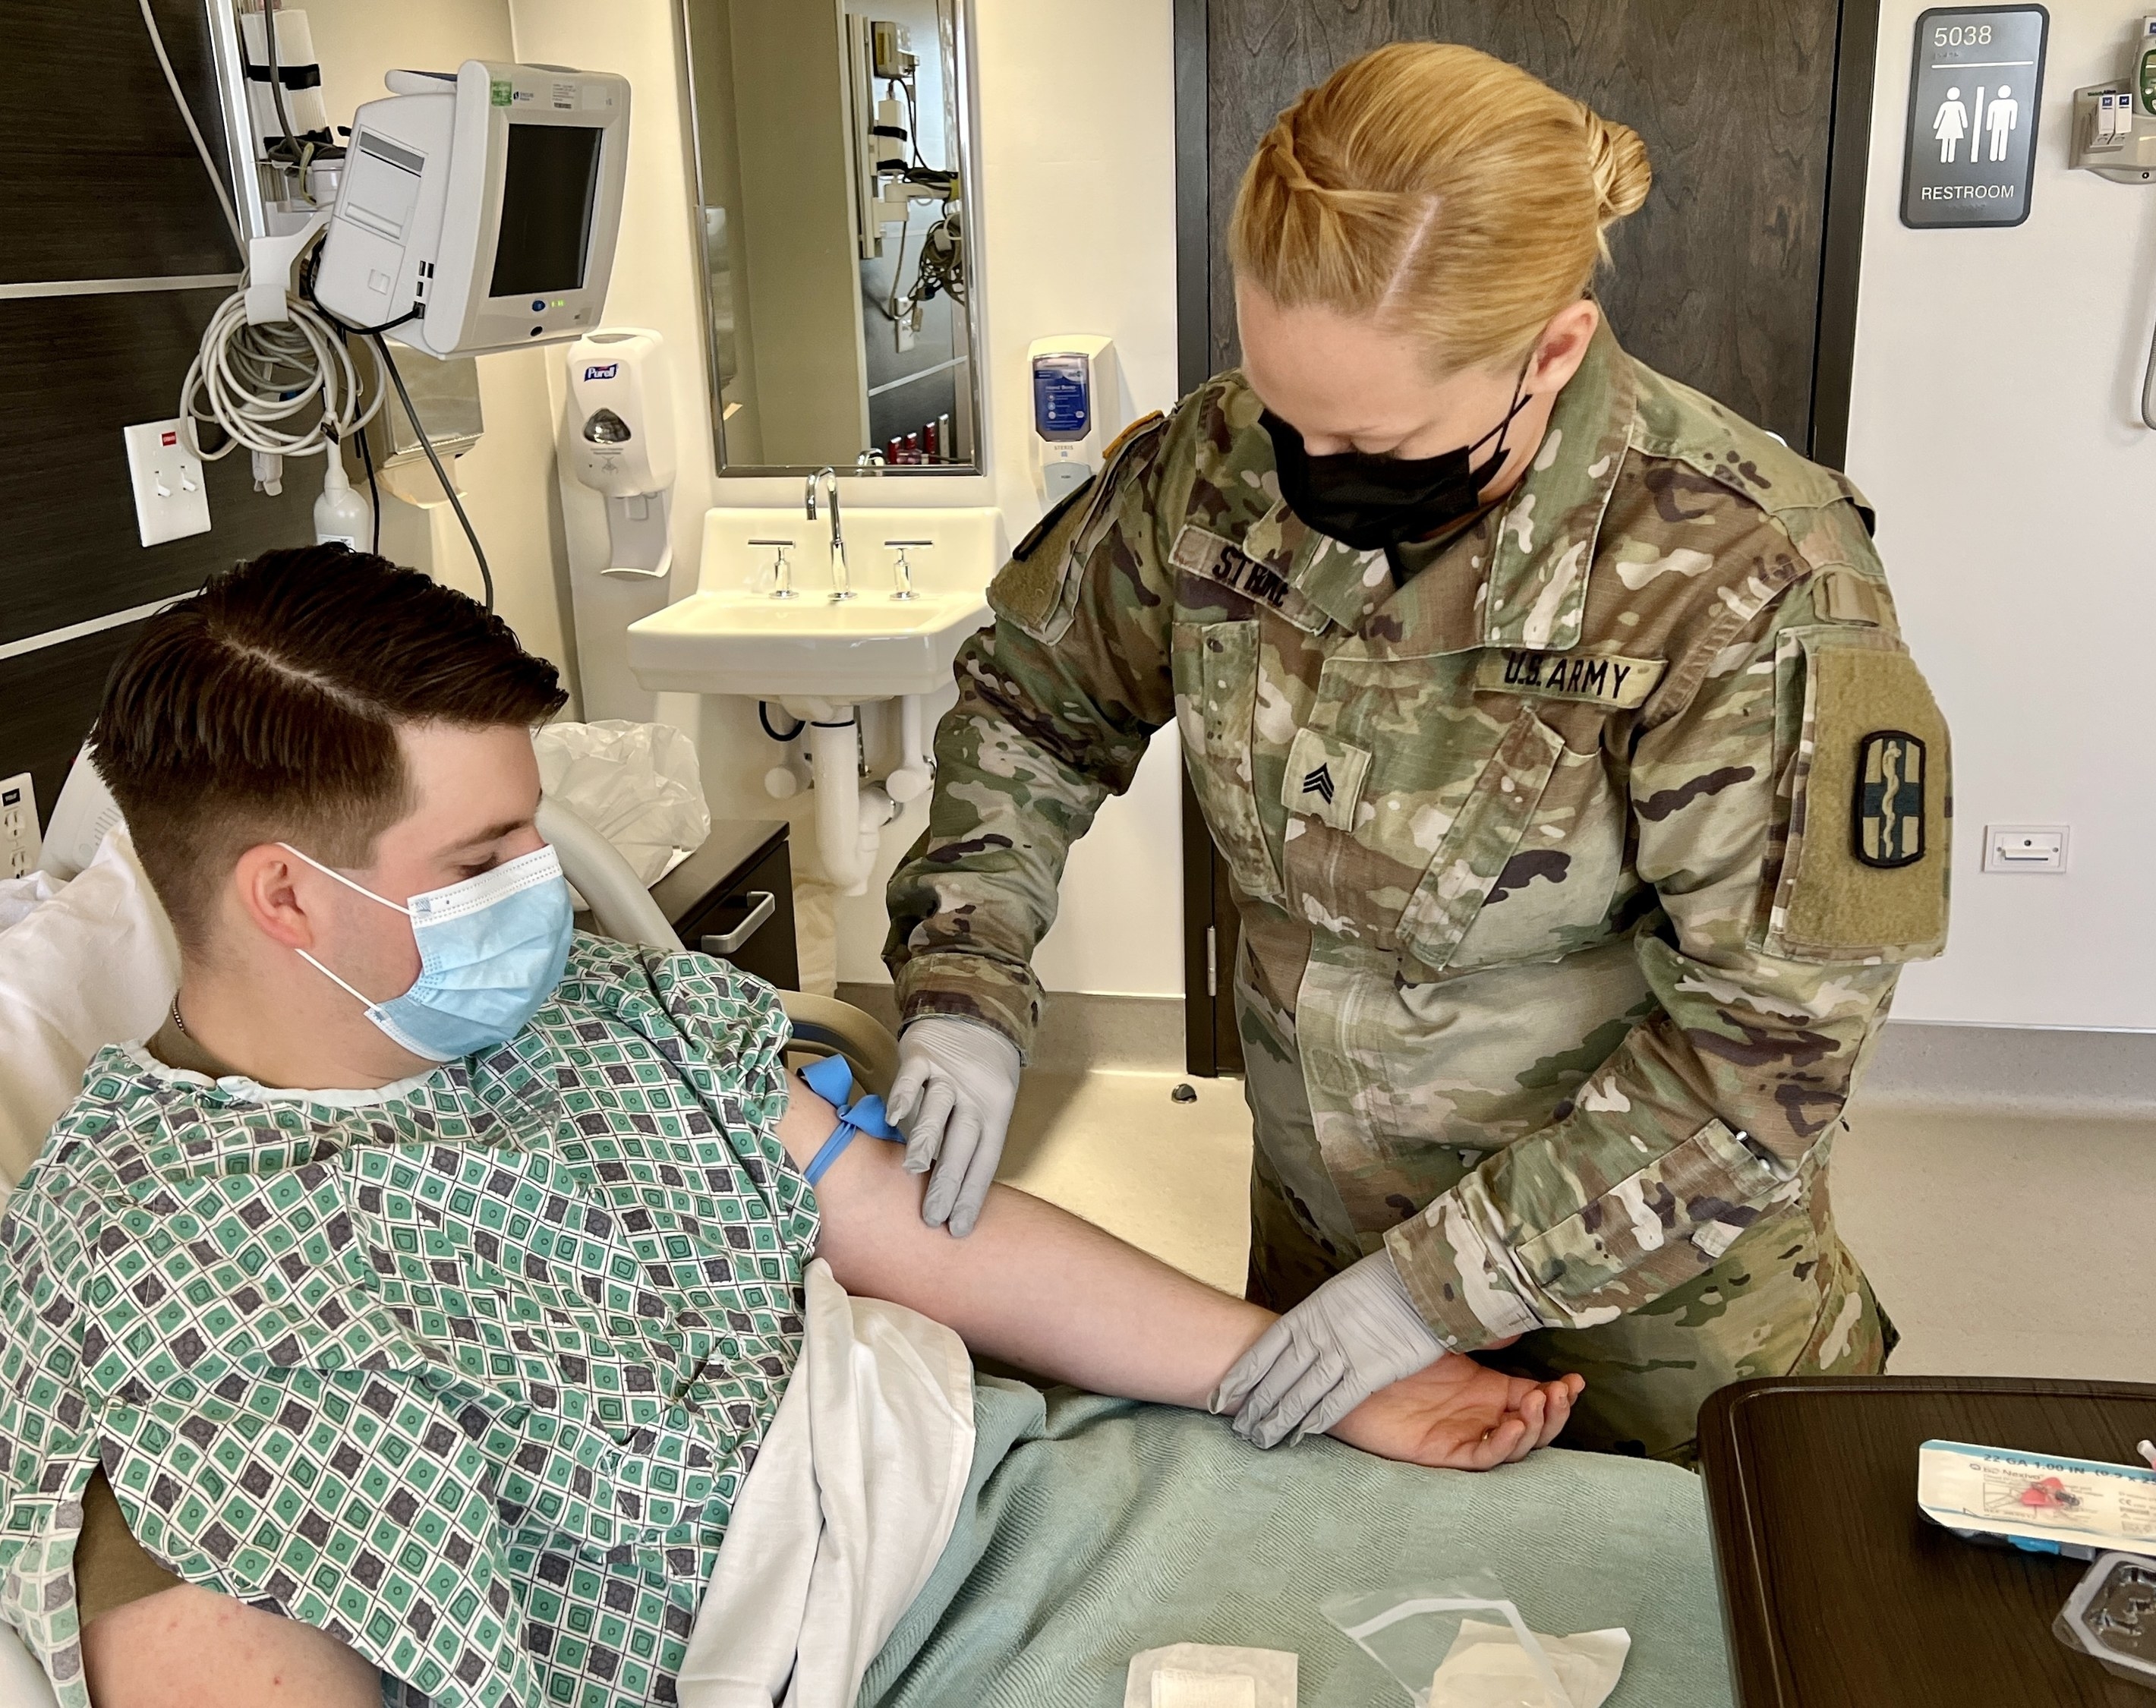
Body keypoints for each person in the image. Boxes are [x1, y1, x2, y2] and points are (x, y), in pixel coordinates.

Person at [0, 547, 1590, 1708]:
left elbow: (911, 1231)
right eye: (481, 858)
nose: (538, 893)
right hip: (855, 1655)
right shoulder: (168, 1281)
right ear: (287, 893)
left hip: (994, 1476)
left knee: (1629, 1562)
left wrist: (1301, 1379)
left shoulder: (594, 1014)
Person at [883, 42, 1951, 1464]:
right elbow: (1034, 704)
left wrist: (1430, 1291)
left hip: (1658, 1311)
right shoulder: (1211, 469)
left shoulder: (1754, 574)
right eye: (1287, 416)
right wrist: (966, 972)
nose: (1312, 478)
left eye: (1374, 441)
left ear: (1553, 352)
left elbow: (1770, 1056)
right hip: (1319, 1253)